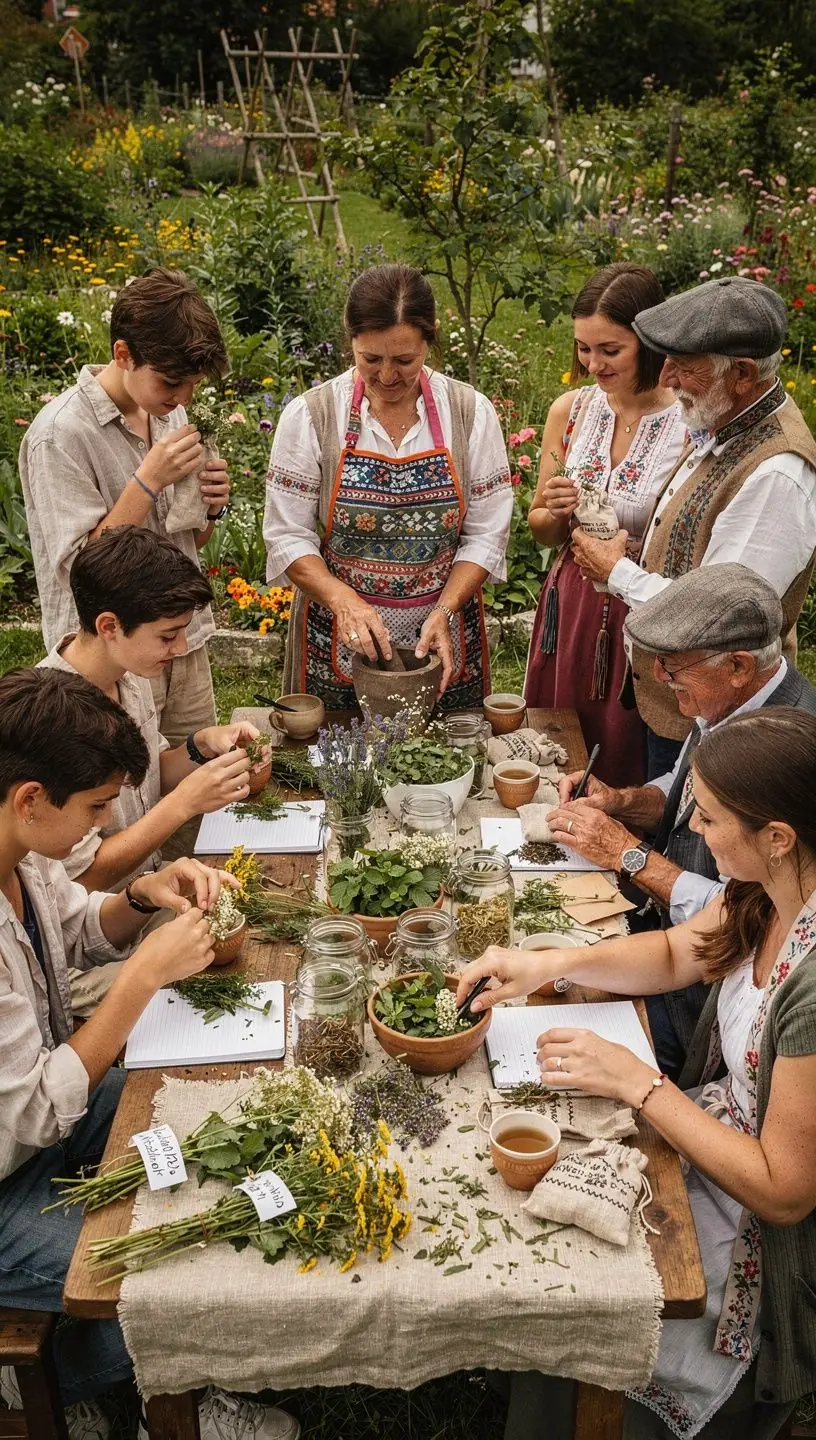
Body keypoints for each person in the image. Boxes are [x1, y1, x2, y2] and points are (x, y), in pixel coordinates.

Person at [459, 707, 816, 1440]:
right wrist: (544, 964)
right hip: (711, 1130)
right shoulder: (766, 889)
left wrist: (640, 1085)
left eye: (711, 819)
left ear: (777, 837)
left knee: (589, 1281)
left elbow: (784, 1192)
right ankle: (534, 1373)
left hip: (758, 1217)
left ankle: (591, 1404)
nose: (694, 831)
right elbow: (678, 954)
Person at [0, 667, 300, 1440]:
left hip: (37, 1113)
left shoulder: (20, 852)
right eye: (96, 808)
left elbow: (77, 924)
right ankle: (54, 1386)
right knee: (177, 1268)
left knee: (209, 1093)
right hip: (7, 1169)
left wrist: (143, 894)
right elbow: (30, 1113)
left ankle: (149, 1365)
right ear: (31, 798)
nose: (102, 829)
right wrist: (139, 981)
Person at [546, 564, 816, 1077]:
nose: (661, 678)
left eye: (674, 665)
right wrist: (622, 801)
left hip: (705, 1007)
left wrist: (633, 857)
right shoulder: (729, 701)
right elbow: (685, 786)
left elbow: (759, 912)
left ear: (737, 665)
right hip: (673, 947)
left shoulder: (791, 745)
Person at [570, 276, 816, 780]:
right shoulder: (724, 420)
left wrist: (616, 571)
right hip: (685, 700)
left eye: (684, 365)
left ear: (742, 373)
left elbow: (722, 623)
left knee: (698, 843)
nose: (667, 376)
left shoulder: (777, 475)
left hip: (722, 716)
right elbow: (700, 550)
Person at [37, 526, 269, 1016]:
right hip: (89, 952)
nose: (180, 647)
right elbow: (88, 875)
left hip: (148, 894)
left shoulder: (127, 674)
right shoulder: (53, 722)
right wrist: (183, 804)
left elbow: (144, 780)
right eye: (167, 635)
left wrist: (200, 747)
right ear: (109, 626)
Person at [263, 262, 513, 712]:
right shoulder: (312, 417)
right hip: (335, 640)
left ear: (429, 341)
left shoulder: (470, 413)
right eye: (370, 359)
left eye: (404, 360)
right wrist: (343, 602)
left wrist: (445, 610)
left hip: (442, 633)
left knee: (443, 770)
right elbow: (287, 535)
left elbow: (486, 534)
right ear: (350, 342)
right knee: (333, 772)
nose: (386, 376)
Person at [19, 268, 231, 746]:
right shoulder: (59, 436)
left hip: (182, 638)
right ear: (123, 354)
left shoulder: (166, 410)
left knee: (196, 780)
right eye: (172, 382)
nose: (183, 398)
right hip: (113, 656)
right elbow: (78, 569)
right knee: (122, 800)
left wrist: (209, 507)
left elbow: (186, 541)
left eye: (192, 384)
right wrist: (149, 480)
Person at [524, 264, 685, 789]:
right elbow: (543, 531)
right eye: (583, 348)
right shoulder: (571, 411)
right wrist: (553, 509)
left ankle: (625, 844)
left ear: (650, 342)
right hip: (573, 604)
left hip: (643, 606)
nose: (592, 364)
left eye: (609, 350)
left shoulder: (687, 424)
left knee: (625, 748)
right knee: (561, 739)